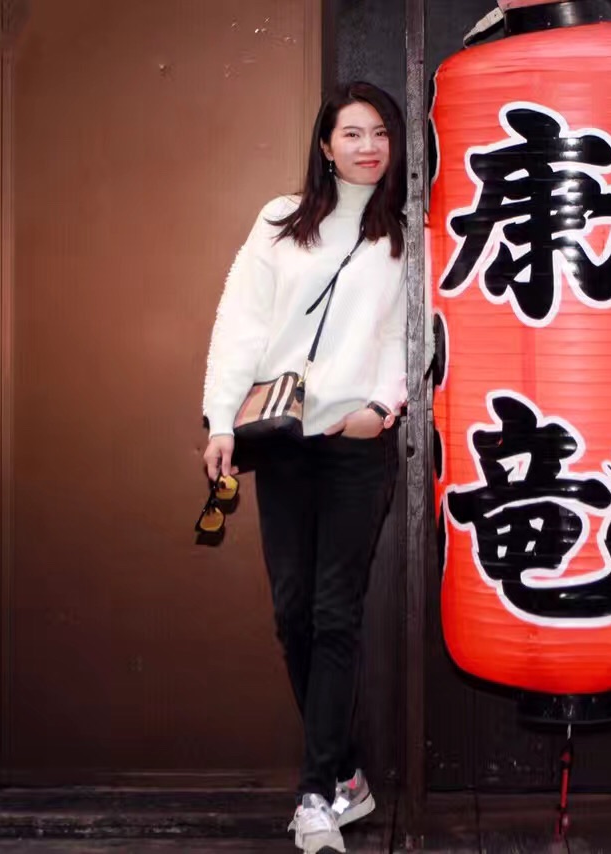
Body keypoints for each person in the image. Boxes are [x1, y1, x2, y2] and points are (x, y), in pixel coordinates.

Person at [201, 81, 406, 854]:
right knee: (293, 613)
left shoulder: (402, 235)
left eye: (379, 133)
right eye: (351, 133)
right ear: (325, 145)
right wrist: (221, 419)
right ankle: (346, 772)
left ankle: (316, 795)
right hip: (282, 437)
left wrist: (381, 410)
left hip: (356, 444)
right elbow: (240, 321)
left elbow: (404, 337)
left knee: (334, 614)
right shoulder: (280, 222)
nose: (366, 146)